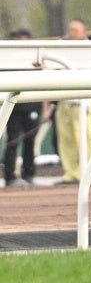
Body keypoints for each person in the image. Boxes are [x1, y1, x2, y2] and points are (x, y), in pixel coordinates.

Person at [53, 19, 91, 183]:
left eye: (76, 30)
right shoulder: (61, 48)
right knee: (66, 140)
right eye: (70, 29)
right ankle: (70, 173)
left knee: (85, 139)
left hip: (82, 103)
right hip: (64, 102)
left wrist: (88, 103)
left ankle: (87, 173)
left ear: (84, 32)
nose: (72, 33)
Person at [3, 27, 41, 187]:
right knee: (12, 142)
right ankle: (10, 176)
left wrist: (45, 107)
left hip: (32, 106)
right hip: (12, 108)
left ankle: (29, 174)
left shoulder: (36, 58)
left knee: (30, 142)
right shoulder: (6, 59)